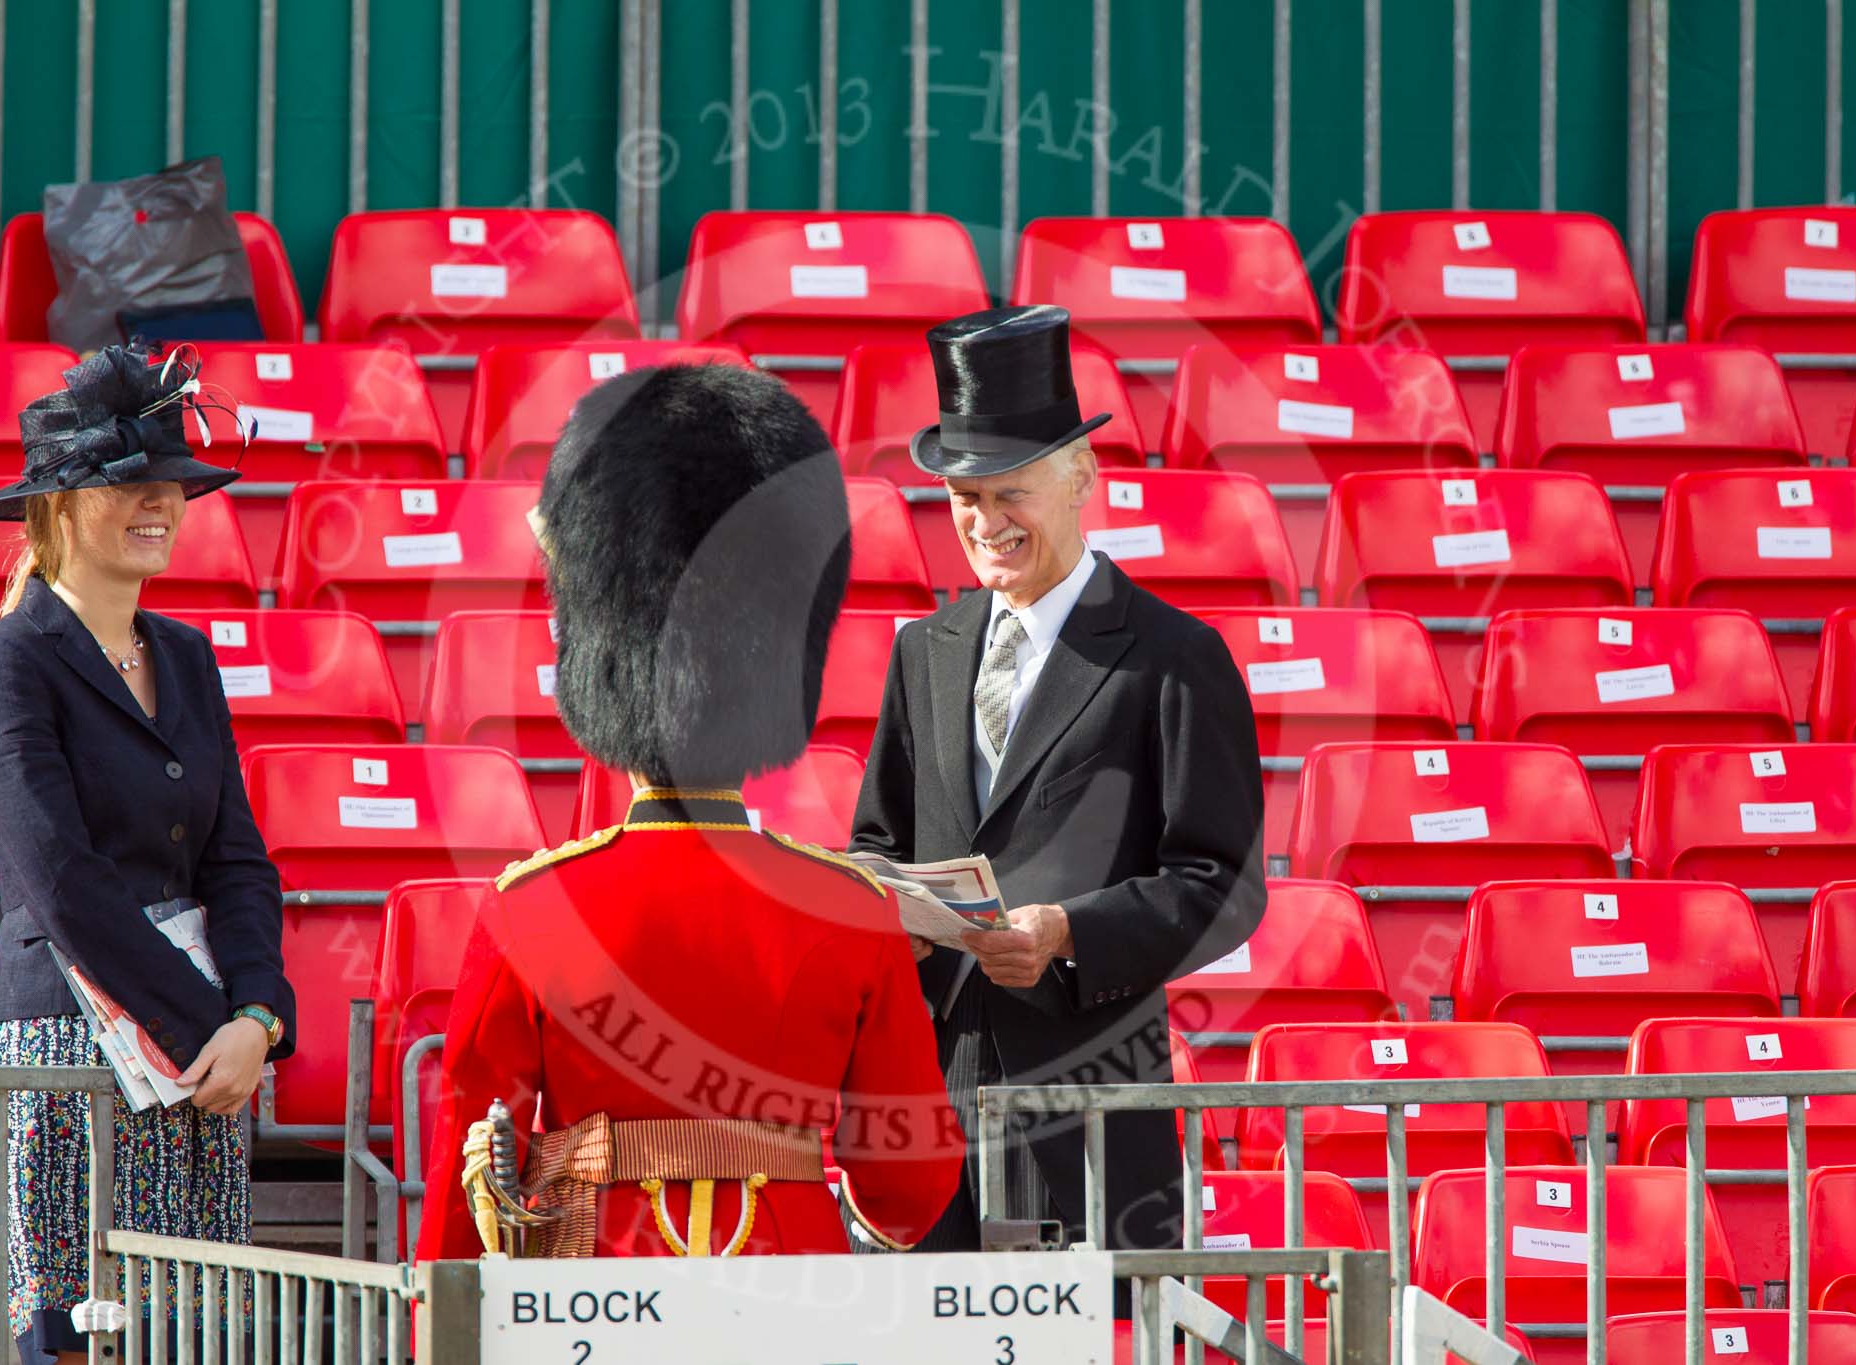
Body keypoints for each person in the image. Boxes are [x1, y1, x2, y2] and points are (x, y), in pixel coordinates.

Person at [415, 363, 960, 1261]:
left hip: (594, 1280)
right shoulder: (852, 908)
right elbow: (908, 1190)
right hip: (797, 1292)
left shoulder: (531, 906)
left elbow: (469, 1178)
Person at [848, 304, 1267, 1256]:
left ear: (1081, 478)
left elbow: (1225, 887)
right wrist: (890, 910)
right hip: (934, 1109)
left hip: (1092, 1108)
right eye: (965, 498)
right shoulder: (924, 653)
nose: (985, 522)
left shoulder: (1174, 656)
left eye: (1011, 493)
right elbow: (876, 840)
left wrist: (1069, 932)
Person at [0, 343, 293, 1365]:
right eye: (130, 488)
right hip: (64, 1060)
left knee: (195, 1338)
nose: (161, 506)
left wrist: (257, 1016)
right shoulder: (5, 664)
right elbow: (61, 883)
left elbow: (237, 860)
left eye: (171, 488)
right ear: (56, 509)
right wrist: (208, 1029)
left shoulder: (185, 655)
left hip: (195, 1061)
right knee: (77, 1338)